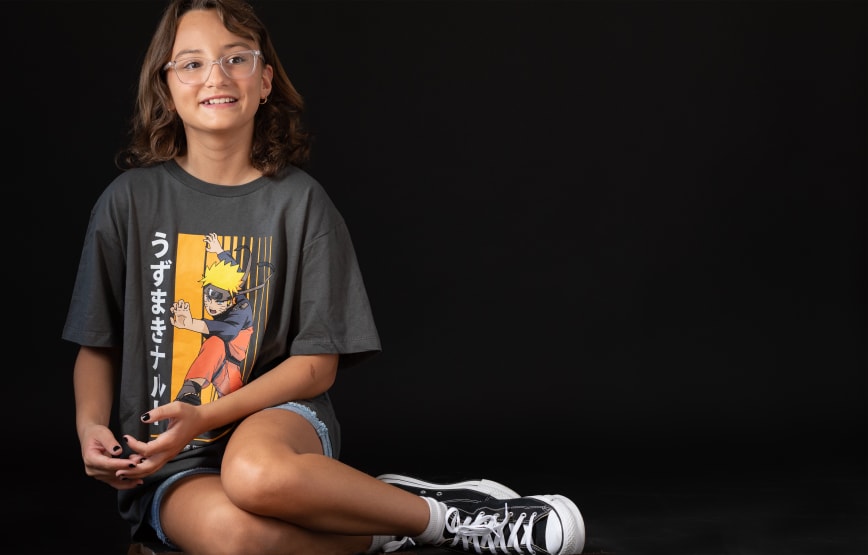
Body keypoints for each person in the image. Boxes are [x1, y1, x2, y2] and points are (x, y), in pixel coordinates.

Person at [62, 1, 586, 554]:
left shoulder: (302, 204)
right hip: (172, 461)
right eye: (190, 63)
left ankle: (446, 518)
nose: (215, 76)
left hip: (277, 422)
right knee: (237, 540)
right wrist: (90, 427)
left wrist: (206, 416)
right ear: (166, 88)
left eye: (235, 58)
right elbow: (99, 343)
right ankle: (381, 521)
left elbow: (316, 366)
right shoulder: (129, 203)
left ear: (264, 81)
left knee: (255, 474)